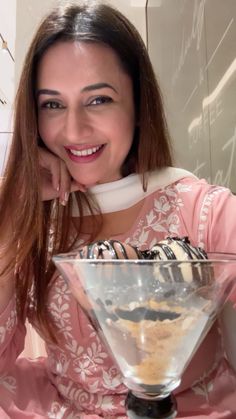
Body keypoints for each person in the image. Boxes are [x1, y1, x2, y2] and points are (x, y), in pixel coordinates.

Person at [0, 2, 236, 418]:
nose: (73, 131)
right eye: (52, 104)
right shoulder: (34, 221)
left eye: (99, 100)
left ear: (138, 103)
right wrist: (12, 212)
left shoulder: (205, 211)